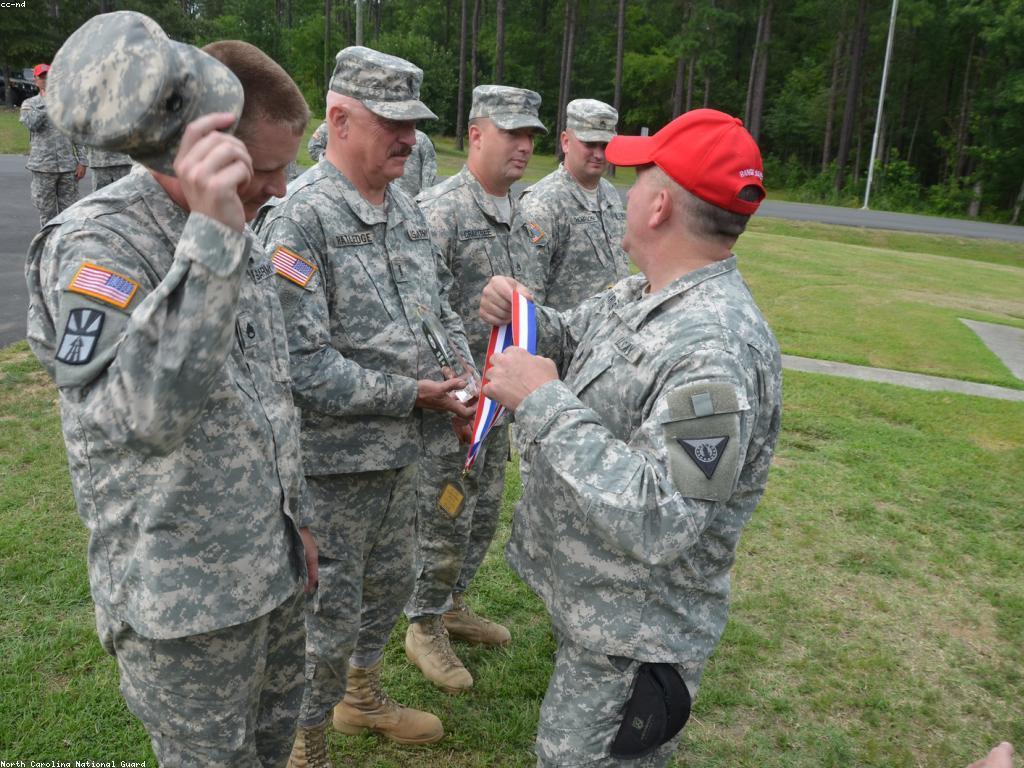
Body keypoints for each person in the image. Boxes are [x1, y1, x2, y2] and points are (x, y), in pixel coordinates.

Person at [24, 13, 317, 766]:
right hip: (183, 607)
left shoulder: (238, 226)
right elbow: (145, 418)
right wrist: (213, 239)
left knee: (274, 746)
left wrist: (297, 525)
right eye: (266, 167)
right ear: (202, 152)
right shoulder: (98, 246)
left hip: (269, 572)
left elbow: (268, 394)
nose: (282, 188)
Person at [478, 108, 782, 767]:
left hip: (636, 637)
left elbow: (663, 517)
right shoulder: (647, 292)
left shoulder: (712, 349)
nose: (624, 189)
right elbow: (573, 337)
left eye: (639, 176)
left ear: (659, 207)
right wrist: (522, 312)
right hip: (605, 618)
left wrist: (542, 401)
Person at [256, 46, 475, 764]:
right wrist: (411, 394)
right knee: (324, 618)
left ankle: (361, 697)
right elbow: (301, 365)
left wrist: (466, 385)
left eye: (414, 122)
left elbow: (438, 308)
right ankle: (306, 740)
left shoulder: (406, 207)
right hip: (333, 472)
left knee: (387, 590)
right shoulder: (301, 220)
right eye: (392, 121)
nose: (409, 137)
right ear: (341, 119)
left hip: (404, 460)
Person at [404, 84, 545, 694]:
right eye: (511, 132)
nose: (523, 145)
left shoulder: (527, 216)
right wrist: (453, 388)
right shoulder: (437, 212)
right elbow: (417, 314)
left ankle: (454, 601)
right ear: (475, 135)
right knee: (445, 513)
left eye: (531, 135)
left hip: (500, 405)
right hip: (454, 408)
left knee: (483, 512)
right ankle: (422, 622)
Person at [516, 98, 629, 310]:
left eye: (605, 145)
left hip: (608, 336)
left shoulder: (610, 193)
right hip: (566, 339)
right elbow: (530, 294)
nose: (598, 154)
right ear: (566, 141)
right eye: (590, 144)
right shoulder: (543, 202)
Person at [19, 62, 85, 226]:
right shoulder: (30, 104)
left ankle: (65, 245)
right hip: (43, 168)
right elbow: (32, 124)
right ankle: (47, 246)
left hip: (67, 167)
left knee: (69, 212)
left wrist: (83, 161)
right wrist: (46, 103)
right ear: (35, 80)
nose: (46, 80)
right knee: (47, 213)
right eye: (42, 77)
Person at [309, 120, 437, 196]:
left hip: (410, 197)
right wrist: (339, 166)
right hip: (353, 191)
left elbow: (429, 168)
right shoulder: (334, 125)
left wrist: (424, 196)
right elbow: (313, 147)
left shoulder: (422, 139)